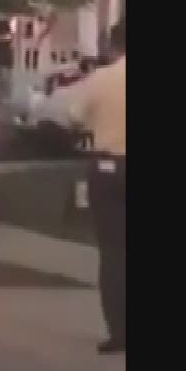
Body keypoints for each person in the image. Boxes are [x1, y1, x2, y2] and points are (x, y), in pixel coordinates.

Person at [53, 20, 127, 353]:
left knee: (113, 252)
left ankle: (119, 331)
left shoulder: (102, 79)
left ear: (115, 44)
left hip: (108, 169)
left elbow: (72, 116)